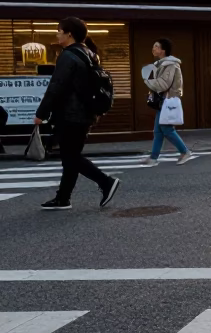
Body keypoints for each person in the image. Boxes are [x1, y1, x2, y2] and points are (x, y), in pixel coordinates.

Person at [35, 17, 121, 210]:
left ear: (69, 34)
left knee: (70, 157)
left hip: (71, 115)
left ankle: (105, 182)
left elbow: (56, 87)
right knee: (70, 156)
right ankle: (63, 198)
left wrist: (41, 113)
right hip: (85, 114)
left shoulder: (68, 56)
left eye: (59, 31)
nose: (57, 34)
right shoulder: (89, 53)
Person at [141, 38, 193, 166]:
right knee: (158, 131)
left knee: (166, 129)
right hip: (164, 100)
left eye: (156, 46)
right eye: (153, 46)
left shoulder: (170, 65)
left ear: (163, 50)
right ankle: (153, 158)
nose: (153, 49)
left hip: (168, 100)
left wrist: (147, 80)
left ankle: (185, 151)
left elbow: (163, 84)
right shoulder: (161, 64)